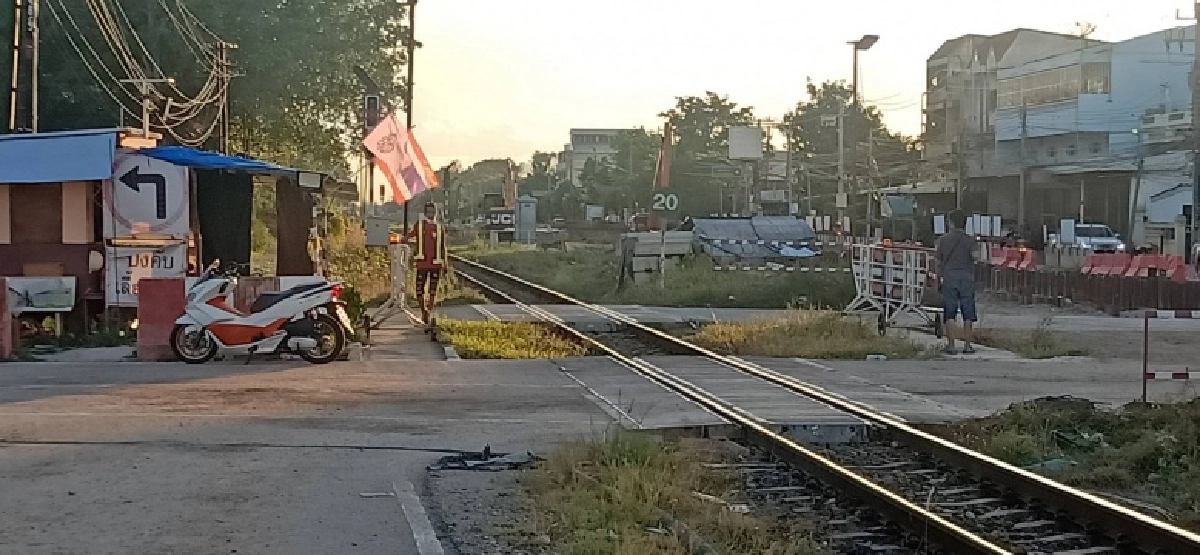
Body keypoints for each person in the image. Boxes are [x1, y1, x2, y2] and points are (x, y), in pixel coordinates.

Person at [935, 209, 978, 354]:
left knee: (950, 312)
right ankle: (967, 345)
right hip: (967, 278)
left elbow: (938, 261)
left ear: (951, 223)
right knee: (968, 311)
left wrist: (938, 278)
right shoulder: (970, 240)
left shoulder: (943, 240)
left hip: (950, 278)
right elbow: (976, 256)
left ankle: (951, 345)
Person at [406, 202, 447, 328]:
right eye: (428, 212)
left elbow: (443, 247)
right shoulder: (419, 226)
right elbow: (410, 236)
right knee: (419, 290)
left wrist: (445, 263)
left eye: (433, 212)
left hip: (435, 264)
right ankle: (423, 310)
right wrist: (400, 239)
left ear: (435, 213)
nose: (431, 214)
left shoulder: (440, 228)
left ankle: (428, 311)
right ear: (425, 213)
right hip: (422, 264)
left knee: (432, 291)